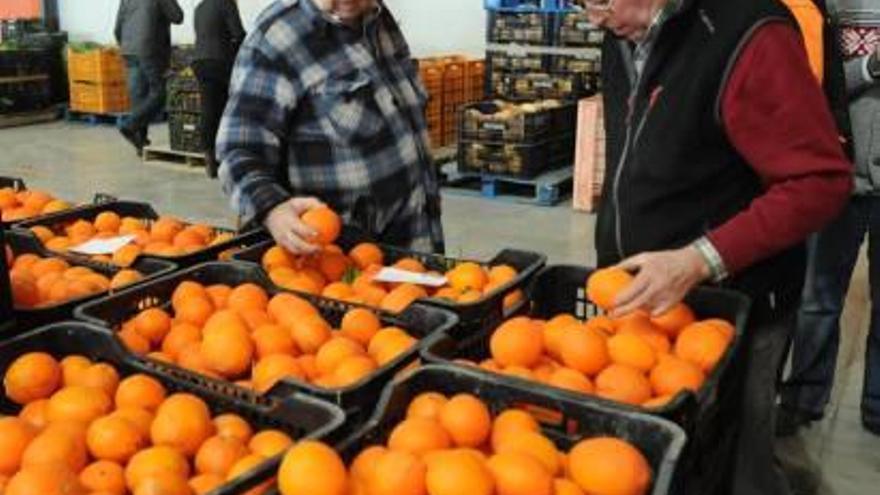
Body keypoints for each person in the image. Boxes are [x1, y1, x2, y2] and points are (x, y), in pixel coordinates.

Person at [582, 0, 853, 493]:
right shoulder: (621, 34)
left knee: (735, 460)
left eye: (598, 0)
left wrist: (699, 258)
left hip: (734, 312)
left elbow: (820, 180)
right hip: (643, 311)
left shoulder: (747, 34)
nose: (591, 16)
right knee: (657, 466)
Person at [216, 0, 443, 255]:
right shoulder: (279, 38)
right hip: (341, 267)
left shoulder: (378, 18)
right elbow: (239, 149)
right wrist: (272, 208)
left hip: (415, 245)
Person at [780, 0, 880, 438]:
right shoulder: (832, 7)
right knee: (818, 299)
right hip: (840, 179)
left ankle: (877, 405)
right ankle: (803, 397)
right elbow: (815, 85)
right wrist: (871, 67)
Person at [114, 0, 184, 154]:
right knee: (161, 93)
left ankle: (140, 143)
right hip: (150, 48)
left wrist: (126, 45)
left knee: (139, 96)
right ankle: (129, 125)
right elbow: (178, 16)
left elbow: (118, 27)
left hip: (129, 49)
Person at [193, 0, 246, 178]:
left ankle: (209, 157)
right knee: (226, 110)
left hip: (200, 61)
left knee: (208, 109)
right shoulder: (226, 3)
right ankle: (226, 155)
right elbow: (238, 34)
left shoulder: (200, 6)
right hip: (220, 62)